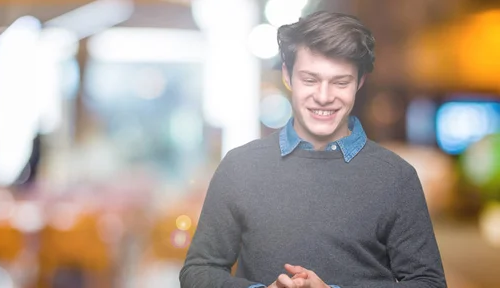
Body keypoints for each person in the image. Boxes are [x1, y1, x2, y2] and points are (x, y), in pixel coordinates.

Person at [179, 11, 446, 288]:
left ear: (360, 82)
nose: (323, 96)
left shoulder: (396, 177)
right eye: (310, 80)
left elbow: (429, 283)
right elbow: (198, 271)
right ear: (287, 75)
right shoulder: (240, 167)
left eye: (340, 82)